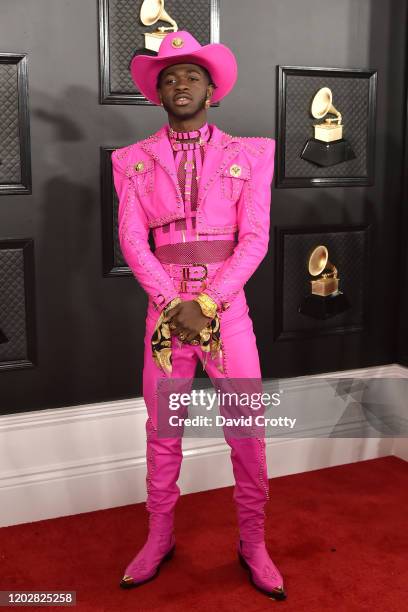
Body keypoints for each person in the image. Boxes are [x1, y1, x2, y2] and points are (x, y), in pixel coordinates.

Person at [111, 30, 286, 600]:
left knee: (247, 430)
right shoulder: (132, 162)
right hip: (165, 320)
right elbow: (132, 241)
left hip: (227, 313)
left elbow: (255, 239)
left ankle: (253, 542)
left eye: (190, 76)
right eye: (167, 78)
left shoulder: (252, 154)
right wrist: (173, 305)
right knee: (163, 431)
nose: (178, 84)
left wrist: (207, 303)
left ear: (213, 89)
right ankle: (158, 537)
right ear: (156, 94)